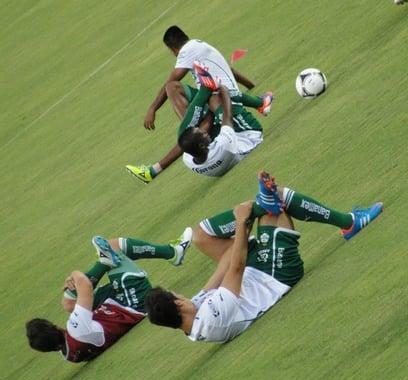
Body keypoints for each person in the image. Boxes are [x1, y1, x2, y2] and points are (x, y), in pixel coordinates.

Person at [139, 170, 384, 343]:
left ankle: (262, 202)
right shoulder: (214, 316)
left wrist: (244, 226)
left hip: (253, 269)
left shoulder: (192, 317)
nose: (181, 295)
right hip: (276, 275)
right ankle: (349, 223)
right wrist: (240, 221)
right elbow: (236, 267)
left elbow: (225, 265)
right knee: (277, 199)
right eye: (177, 295)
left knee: (200, 236)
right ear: (178, 304)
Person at [126, 25, 273, 183]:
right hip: (220, 99)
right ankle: (195, 130)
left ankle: (157, 167)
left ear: (173, 50)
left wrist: (152, 108)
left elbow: (170, 80)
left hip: (227, 104)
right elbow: (228, 70)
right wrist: (251, 87)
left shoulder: (187, 51)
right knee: (187, 92)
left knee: (184, 92)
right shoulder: (201, 47)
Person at [25, 232, 193, 362]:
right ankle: (172, 253)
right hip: (134, 303)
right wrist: (74, 275)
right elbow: (85, 285)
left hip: (115, 305)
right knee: (112, 246)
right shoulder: (76, 329)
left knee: (69, 302)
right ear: (54, 326)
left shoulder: (69, 355)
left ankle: (106, 261)